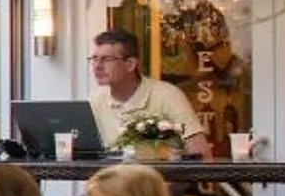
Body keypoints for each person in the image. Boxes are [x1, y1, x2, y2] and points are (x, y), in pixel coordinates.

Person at [88, 29, 207, 158]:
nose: (97, 66)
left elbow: (202, 155)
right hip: (111, 177)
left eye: (106, 59)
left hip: (159, 177)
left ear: (130, 64)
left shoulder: (168, 95)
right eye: (94, 59)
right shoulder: (95, 103)